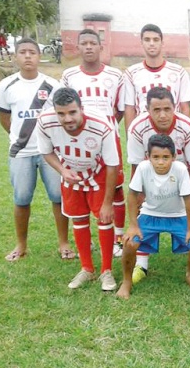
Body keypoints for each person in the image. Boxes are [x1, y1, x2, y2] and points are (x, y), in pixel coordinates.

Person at [0, 38, 71, 262]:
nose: (28, 56)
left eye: (32, 52)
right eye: (23, 52)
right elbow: (4, 118)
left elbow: (61, 116)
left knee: (58, 197)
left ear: (39, 57)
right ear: (16, 56)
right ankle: (21, 245)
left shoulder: (52, 85)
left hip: (49, 153)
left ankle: (64, 243)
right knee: (22, 199)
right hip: (21, 153)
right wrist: (20, 138)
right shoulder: (6, 85)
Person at [37, 88, 120, 290]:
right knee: (79, 219)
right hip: (71, 175)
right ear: (55, 111)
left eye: (72, 112)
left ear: (81, 109)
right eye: (61, 113)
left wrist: (108, 203)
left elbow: (112, 165)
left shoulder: (101, 125)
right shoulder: (45, 121)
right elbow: (46, 152)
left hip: (98, 173)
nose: (67, 118)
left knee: (104, 219)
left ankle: (106, 271)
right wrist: (62, 170)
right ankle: (87, 269)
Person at [126, 87, 190, 285]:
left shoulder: (187, 126)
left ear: (175, 108)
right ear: (147, 109)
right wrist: (140, 195)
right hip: (151, 179)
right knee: (142, 219)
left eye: (167, 109)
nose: (162, 115)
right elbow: (136, 165)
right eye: (156, 110)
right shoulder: (137, 128)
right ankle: (141, 264)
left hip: (184, 175)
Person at [61, 29, 127, 257]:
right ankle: (85, 242)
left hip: (109, 140)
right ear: (78, 48)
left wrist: (103, 130)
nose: (88, 47)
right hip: (78, 145)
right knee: (79, 188)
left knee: (115, 190)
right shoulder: (69, 76)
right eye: (84, 43)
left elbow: (119, 110)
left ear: (101, 47)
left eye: (93, 43)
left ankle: (118, 238)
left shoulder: (116, 76)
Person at [116, 134, 190, 299]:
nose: (161, 162)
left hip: (177, 216)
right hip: (150, 215)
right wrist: (133, 225)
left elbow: (188, 198)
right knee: (129, 244)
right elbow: (132, 195)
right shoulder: (143, 168)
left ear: (174, 157)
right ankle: (126, 281)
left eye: (166, 157)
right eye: (155, 157)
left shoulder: (180, 169)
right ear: (148, 157)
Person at [122, 24, 190, 131]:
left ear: (162, 43)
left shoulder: (179, 72)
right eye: (147, 40)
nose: (151, 44)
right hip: (143, 131)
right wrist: (130, 139)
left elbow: (185, 108)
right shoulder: (131, 73)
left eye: (155, 40)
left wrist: (186, 135)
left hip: (172, 131)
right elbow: (130, 109)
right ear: (141, 43)